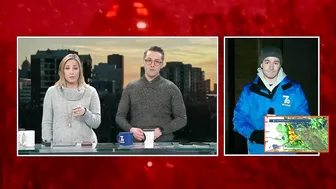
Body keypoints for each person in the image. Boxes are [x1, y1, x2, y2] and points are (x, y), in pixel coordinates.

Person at [233, 46, 310, 154]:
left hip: (286, 155)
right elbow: (238, 120)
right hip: (257, 154)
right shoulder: (249, 91)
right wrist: (253, 134)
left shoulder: (294, 90)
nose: (271, 67)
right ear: (261, 64)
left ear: (280, 65)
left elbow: (304, 119)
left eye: (276, 62)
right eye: (267, 62)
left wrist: (284, 130)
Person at [116, 46, 187, 142]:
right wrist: (131, 129)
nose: (152, 65)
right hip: (136, 145)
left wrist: (161, 130)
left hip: (164, 144)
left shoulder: (172, 88)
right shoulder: (130, 87)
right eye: (149, 60)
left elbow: (182, 119)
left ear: (162, 65)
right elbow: (120, 117)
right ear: (144, 62)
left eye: (157, 61)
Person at [41, 53, 101, 144]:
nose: (71, 72)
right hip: (59, 148)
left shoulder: (91, 92)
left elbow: (96, 123)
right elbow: (47, 122)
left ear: (80, 71)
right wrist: (47, 144)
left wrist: (85, 113)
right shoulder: (52, 92)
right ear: (62, 71)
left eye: (75, 68)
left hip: (85, 146)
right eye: (67, 68)